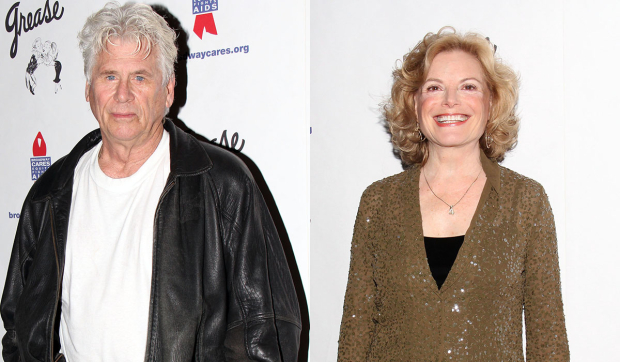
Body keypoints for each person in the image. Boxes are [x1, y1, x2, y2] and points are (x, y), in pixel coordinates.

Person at [1, 2, 301, 361]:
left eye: (140, 77)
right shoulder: (49, 195)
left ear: (168, 91)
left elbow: (266, 331)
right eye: (109, 76)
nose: (123, 94)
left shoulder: (223, 185)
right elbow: (20, 326)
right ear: (88, 90)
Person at [337, 27, 569, 361]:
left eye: (468, 87)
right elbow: (354, 336)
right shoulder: (378, 202)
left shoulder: (526, 202)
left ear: (490, 102)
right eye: (434, 87)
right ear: (415, 103)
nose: (450, 101)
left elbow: (548, 339)